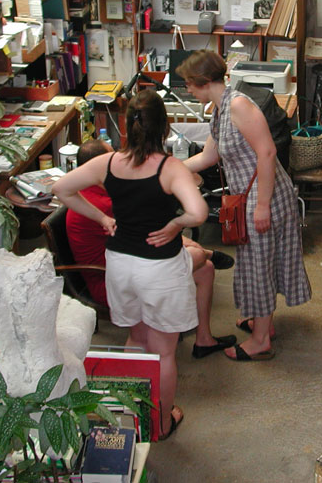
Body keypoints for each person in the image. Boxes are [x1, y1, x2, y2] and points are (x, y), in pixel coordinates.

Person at [53, 90, 208, 440]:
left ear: (127, 127)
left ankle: (133, 418)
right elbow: (198, 212)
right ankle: (161, 424)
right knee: (164, 352)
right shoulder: (169, 168)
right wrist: (175, 225)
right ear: (164, 127)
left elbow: (61, 188)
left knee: (136, 339)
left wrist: (101, 218)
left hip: (120, 264)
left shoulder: (108, 163)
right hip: (159, 269)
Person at [178, 51, 311, 361]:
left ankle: (261, 340)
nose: (188, 90)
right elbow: (209, 157)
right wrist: (168, 170)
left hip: (265, 196)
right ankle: (262, 323)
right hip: (249, 197)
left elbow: (267, 152)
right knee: (256, 263)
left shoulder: (238, 105)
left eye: (189, 84)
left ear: (203, 81)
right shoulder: (220, 110)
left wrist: (262, 206)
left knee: (260, 265)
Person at [65, 138, 237, 359]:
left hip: (126, 263)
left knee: (206, 269)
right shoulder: (104, 204)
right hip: (111, 279)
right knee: (196, 255)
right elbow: (153, 234)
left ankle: (204, 339)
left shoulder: (89, 192)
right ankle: (206, 254)